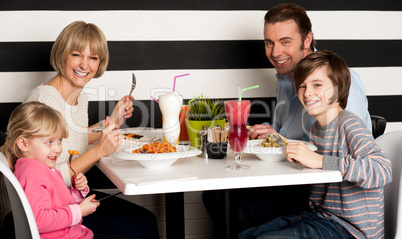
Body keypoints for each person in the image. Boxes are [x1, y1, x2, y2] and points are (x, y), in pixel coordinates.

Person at [203, 3, 372, 235]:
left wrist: (304, 153)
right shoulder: (285, 79)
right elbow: (288, 133)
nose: (275, 52)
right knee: (216, 196)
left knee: (240, 208)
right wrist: (272, 133)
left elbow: (354, 158)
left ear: (306, 40)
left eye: (285, 41)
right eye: (269, 43)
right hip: (294, 180)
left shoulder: (340, 84)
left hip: (327, 195)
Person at [21, 21, 159, 238]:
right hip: (49, 213)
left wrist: (113, 119)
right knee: (137, 227)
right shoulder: (44, 102)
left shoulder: (79, 96)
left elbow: (74, 136)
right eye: (77, 55)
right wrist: (99, 152)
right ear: (62, 54)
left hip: (67, 198)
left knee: (145, 220)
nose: (84, 65)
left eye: (93, 58)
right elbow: (50, 178)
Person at [239, 50, 392, 239]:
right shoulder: (317, 129)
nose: (307, 92)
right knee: (245, 235)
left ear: (338, 88)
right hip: (322, 216)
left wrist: (319, 161)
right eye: (302, 86)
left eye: (317, 85)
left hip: (352, 230)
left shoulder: (348, 124)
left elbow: (382, 169)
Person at [1, 102, 98, 238]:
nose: (58, 149)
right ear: (23, 144)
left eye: (59, 141)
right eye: (49, 142)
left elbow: (58, 203)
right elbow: (39, 220)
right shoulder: (33, 172)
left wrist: (76, 191)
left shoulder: (40, 167)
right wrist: (79, 211)